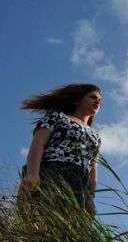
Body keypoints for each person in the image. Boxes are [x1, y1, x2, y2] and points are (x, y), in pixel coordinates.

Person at [20, 84, 102, 215]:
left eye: (99, 100)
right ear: (77, 100)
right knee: (39, 216)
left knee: (68, 228)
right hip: (53, 170)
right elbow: (38, 143)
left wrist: (90, 198)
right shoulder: (57, 117)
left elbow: (93, 168)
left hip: (80, 181)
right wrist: (32, 173)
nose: (97, 101)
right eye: (93, 97)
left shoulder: (96, 136)